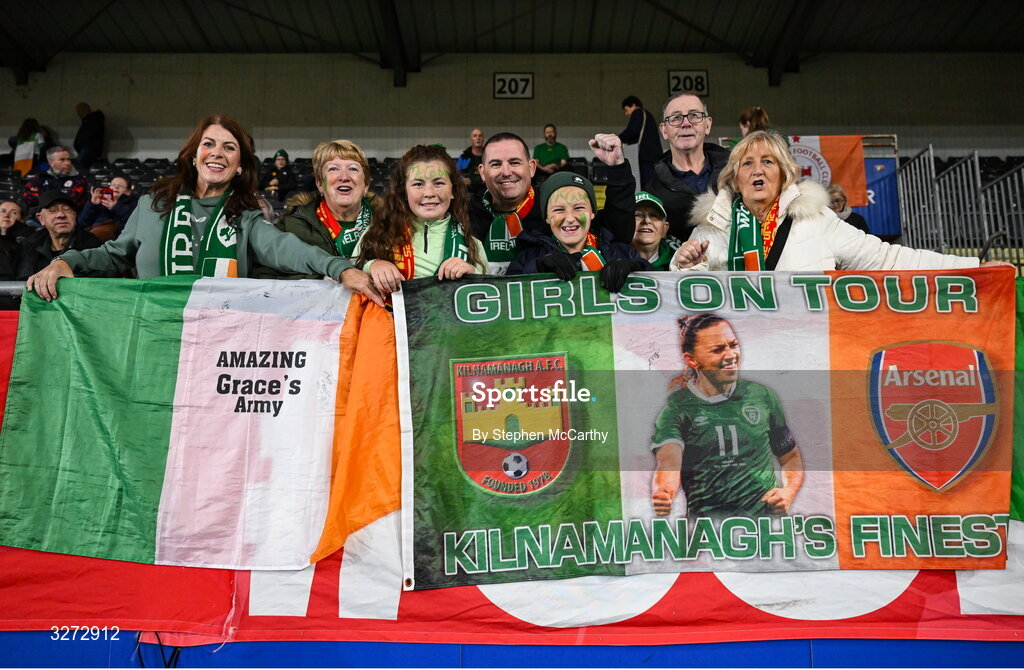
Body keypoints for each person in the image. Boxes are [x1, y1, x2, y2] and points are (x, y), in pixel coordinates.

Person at [25, 115, 382, 306]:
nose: (216, 152)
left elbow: (291, 251)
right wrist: (65, 261)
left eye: (229, 148)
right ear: (193, 154)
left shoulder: (245, 218)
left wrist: (339, 270)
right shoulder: (153, 206)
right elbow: (115, 255)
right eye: (208, 144)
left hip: (220, 344)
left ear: (239, 166)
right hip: (153, 333)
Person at [670, 131, 996, 272]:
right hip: (742, 360)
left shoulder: (816, 220)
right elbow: (684, 299)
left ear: (785, 175)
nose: (758, 170)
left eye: (768, 162)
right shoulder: (710, 227)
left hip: (812, 355)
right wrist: (682, 266)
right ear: (734, 177)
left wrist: (973, 269)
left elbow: (885, 258)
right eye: (747, 163)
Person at [651, 313, 803, 518]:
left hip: (763, 530)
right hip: (707, 535)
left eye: (733, 345)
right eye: (717, 350)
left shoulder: (761, 396)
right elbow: (669, 461)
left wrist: (789, 491)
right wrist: (664, 491)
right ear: (692, 360)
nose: (731, 355)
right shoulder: (678, 409)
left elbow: (790, 456)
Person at [470, 132, 635, 276]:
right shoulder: (466, 213)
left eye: (515, 162)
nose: (506, 172)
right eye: (496, 164)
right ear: (483, 172)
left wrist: (617, 169)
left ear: (532, 167)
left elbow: (619, 229)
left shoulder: (557, 205)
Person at [354, 144, 486, 294]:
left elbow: (491, 295)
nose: (429, 193)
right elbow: (349, 271)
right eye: (418, 184)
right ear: (404, 191)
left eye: (438, 183)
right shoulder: (380, 230)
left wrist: (472, 274)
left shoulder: (471, 243)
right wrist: (372, 265)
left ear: (453, 190)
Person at [508, 168, 649, 291]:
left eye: (579, 208)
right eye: (558, 210)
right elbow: (507, 299)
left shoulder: (623, 253)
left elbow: (660, 296)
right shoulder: (527, 258)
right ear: (547, 217)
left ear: (592, 212)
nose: (569, 218)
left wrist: (638, 271)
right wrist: (537, 268)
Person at [253, 139, 376, 280]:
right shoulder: (291, 226)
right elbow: (262, 276)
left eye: (353, 169)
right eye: (333, 169)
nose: (344, 177)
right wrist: (319, 280)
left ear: (366, 184)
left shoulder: (391, 226)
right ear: (320, 184)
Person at [643, 92, 729, 242]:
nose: (685, 123)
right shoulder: (653, 193)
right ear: (664, 131)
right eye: (676, 118)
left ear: (707, 125)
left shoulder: (735, 174)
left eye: (694, 115)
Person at [17, 191, 101, 280]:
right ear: (41, 218)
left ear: (75, 215)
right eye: (53, 210)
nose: (61, 215)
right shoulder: (30, 245)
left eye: (67, 209)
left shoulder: (92, 246)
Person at [21, 145, 89, 214]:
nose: (68, 163)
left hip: (70, 218)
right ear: (51, 163)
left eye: (69, 159)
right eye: (62, 160)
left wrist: (43, 197)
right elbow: (28, 198)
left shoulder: (79, 179)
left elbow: (69, 201)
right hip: (40, 219)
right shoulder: (39, 177)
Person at [618, 95, 662, 190]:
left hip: (646, 157)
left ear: (633, 105)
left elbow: (632, 131)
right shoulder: (647, 114)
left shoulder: (638, 112)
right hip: (654, 155)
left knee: (646, 185)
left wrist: (618, 139)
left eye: (627, 110)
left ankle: (646, 204)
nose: (627, 113)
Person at [631, 191, 681, 270]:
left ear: (664, 229)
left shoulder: (681, 263)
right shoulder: (608, 260)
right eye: (637, 215)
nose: (646, 221)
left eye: (654, 216)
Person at [0, 200, 30, 280]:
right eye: (2, 211)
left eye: (14, 212)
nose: (6, 215)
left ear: (22, 220)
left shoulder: (30, 241)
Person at [73, 103, 105, 171]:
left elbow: (89, 135)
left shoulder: (93, 120)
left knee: (79, 167)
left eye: (78, 110)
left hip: (88, 149)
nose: (78, 113)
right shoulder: (88, 120)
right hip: (85, 150)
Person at [456, 128, 485, 196]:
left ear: (483, 138)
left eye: (480, 136)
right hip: (470, 193)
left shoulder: (489, 155)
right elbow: (456, 174)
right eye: (475, 136)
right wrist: (462, 180)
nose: (478, 138)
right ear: (471, 139)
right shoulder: (465, 157)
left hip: (487, 190)